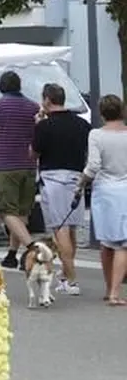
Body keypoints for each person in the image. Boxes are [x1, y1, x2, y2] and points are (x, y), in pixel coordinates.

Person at [33, 82, 90, 295]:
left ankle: (71, 279)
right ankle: (67, 275)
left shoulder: (44, 126)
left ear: (47, 99)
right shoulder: (82, 125)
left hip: (52, 178)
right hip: (76, 177)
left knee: (60, 228)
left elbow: (34, 153)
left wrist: (37, 124)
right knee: (72, 227)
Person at [0, 70, 39, 269]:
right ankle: (11, 254)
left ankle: (32, 248)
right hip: (28, 165)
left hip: (4, 165)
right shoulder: (33, 107)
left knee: (5, 211)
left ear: (1, 86)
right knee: (21, 213)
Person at [76, 95, 127, 305]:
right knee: (123, 244)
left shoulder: (96, 134)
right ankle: (115, 292)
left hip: (104, 191)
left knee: (106, 242)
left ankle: (109, 289)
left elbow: (94, 165)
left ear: (101, 113)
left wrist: (82, 182)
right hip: (125, 190)